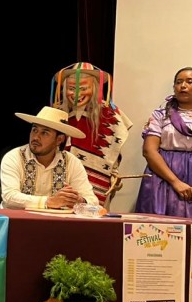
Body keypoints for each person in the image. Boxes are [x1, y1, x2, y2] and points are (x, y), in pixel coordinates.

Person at [135, 67, 192, 218]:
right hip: (165, 177)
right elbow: (149, 151)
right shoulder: (160, 115)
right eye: (178, 82)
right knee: (162, 231)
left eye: (189, 81)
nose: (183, 86)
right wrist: (175, 182)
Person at [50, 62, 133, 205]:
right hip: (60, 175)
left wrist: (114, 173)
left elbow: (114, 147)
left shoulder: (109, 114)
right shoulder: (57, 112)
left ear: (95, 88)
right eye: (71, 88)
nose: (77, 94)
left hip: (99, 177)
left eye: (83, 88)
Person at [0, 106, 98, 209]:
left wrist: (79, 200)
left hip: (57, 223)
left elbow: (93, 201)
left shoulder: (71, 162)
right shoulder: (14, 157)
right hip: (19, 223)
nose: (35, 137)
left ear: (59, 139)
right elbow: (9, 196)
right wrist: (49, 202)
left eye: (44, 133)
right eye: (34, 130)